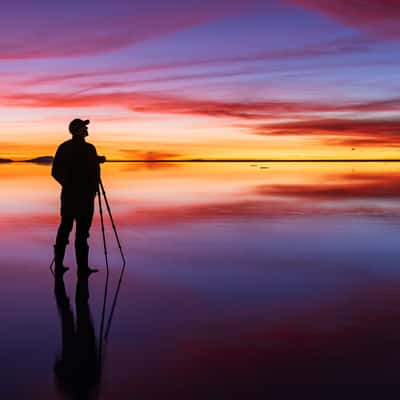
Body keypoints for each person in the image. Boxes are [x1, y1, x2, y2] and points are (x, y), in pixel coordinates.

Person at [52, 119, 105, 275]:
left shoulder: (65, 147)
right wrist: (74, 185)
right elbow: (58, 171)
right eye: (84, 127)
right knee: (78, 232)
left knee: (67, 229)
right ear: (77, 130)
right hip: (82, 198)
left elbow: (56, 172)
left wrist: (96, 161)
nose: (86, 128)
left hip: (74, 196)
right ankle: (81, 269)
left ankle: (65, 266)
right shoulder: (89, 148)